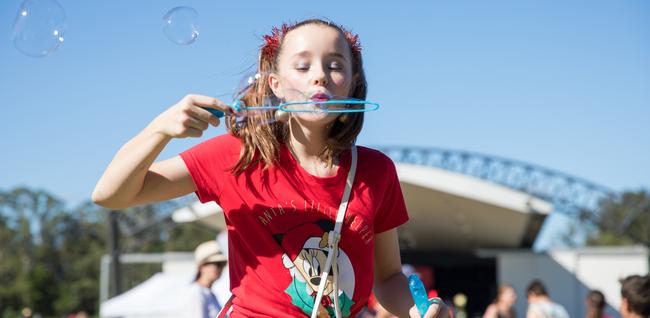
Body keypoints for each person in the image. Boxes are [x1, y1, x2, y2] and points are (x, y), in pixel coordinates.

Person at [92, 18, 447, 318]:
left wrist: (421, 309)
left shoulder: (376, 171)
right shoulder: (237, 155)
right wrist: (161, 128)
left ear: (353, 84)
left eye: (335, 65)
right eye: (303, 66)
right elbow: (111, 194)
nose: (319, 77)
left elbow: (387, 279)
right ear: (275, 85)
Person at [185, 240, 228, 318]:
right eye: (216, 264)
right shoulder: (196, 293)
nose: (220, 268)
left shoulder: (209, 293)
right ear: (201, 266)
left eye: (221, 264)